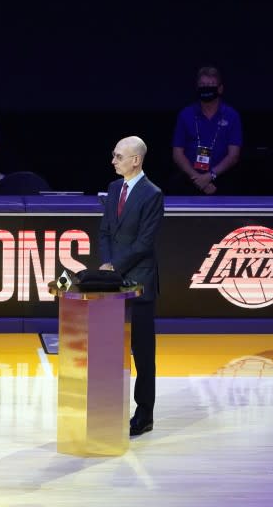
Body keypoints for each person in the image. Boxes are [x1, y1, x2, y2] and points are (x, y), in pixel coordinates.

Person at [99, 135, 164, 437]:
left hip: (139, 282)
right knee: (111, 350)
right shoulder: (113, 189)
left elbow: (144, 243)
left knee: (142, 352)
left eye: (118, 156)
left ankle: (144, 413)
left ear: (135, 160)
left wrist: (115, 266)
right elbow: (104, 232)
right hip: (113, 283)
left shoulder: (152, 194)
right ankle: (109, 409)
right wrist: (107, 266)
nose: (113, 161)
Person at [172, 66, 243, 195]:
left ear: (220, 89)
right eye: (203, 85)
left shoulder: (232, 115)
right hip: (190, 179)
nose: (206, 88)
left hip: (221, 178)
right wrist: (198, 179)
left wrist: (210, 176)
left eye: (211, 85)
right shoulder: (185, 114)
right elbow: (177, 154)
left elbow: (234, 156)